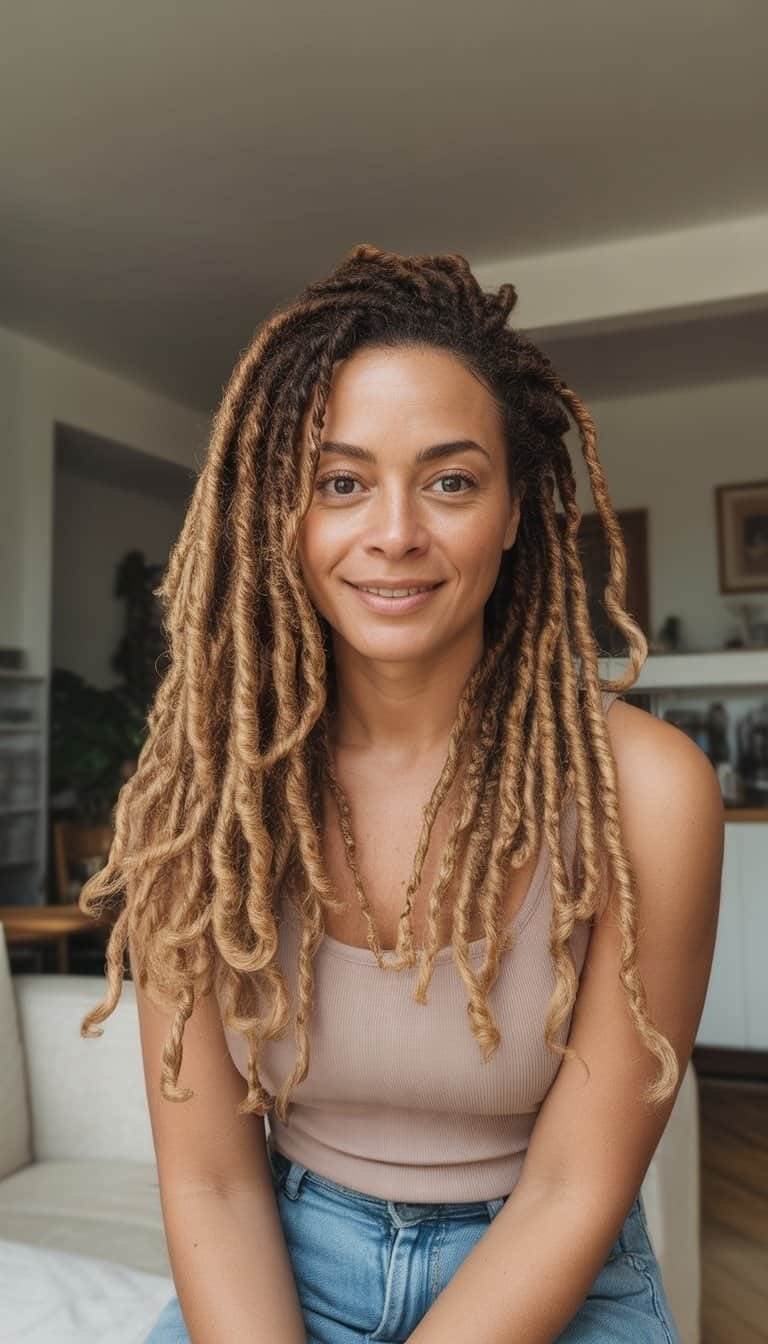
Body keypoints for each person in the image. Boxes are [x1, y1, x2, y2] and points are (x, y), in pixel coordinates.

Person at [79, 244, 723, 1344]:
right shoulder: (205, 794)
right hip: (280, 1264)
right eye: (340, 482)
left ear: (517, 512)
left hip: (548, 1273)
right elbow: (211, 1186)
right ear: (287, 514)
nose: (394, 533)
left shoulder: (650, 793)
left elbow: (572, 1189)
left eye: (451, 480)